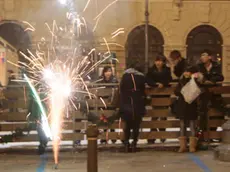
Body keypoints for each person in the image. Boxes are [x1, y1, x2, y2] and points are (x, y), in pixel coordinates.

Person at [175, 66, 203, 153]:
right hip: (182, 105)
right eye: (185, 71)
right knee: (182, 125)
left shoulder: (196, 81)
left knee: (192, 125)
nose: (186, 73)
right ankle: (182, 146)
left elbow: (199, 90)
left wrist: (194, 79)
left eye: (188, 72)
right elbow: (176, 91)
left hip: (191, 106)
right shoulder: (181, 81)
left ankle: (192, 146)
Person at [119, 62, 146, 152]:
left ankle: (126, 143)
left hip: (126, 102)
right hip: (138, 102)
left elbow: (121, 88)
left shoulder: (125, 76)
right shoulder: (141, 77)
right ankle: (134, 143)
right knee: (136, 124)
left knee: (127, 124)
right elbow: (143, 90)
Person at [146, 55, 172, 144]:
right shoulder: (151, 70)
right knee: (154, 115)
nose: (158, 63)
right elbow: (148, 80)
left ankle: (162, 134)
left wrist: (163, 84)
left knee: (163, 115)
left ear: (163, 62)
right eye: (157, 61)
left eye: (160, 61)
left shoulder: (167, 70)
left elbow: (169, 79)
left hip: (164, 95)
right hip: (155, 95)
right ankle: (152, 136)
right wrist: (155, 84)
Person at [198, 50, 224, 135]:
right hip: (203, 93)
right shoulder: (199, 66)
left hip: (214, 93)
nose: (202, 57)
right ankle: (204, 133)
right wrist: (204, 81)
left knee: (217, 112)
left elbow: (220, 77)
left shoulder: (216, 65)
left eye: (204, 55)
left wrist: (212, 81)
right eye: (201, 55)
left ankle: (213, 132)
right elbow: (196, 76)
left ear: (209, 57)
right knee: (203, 112)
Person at [98, 66, 118, 144]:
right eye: (106, 71)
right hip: (103, 103)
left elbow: (116, 89)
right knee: (104, 119)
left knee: (112, 119)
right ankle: (104, 137)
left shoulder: (114, 80)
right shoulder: (100, 80)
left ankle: (113, 136)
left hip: (112, 102)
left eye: (109, 71)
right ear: (104, 72)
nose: (108, 73)